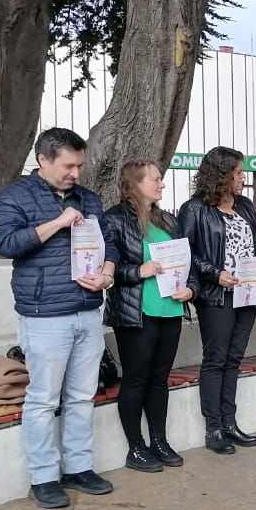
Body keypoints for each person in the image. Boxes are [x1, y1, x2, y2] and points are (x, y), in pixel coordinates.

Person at [0, 127, 116, 509]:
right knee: (43, 400)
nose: (75, 173)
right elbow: (4, 243)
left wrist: (107, 274)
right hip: (44, 316)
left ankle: (79, 467)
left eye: (79, 165)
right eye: (68, 165)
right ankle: (43, 476)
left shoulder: (89, 199)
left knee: (81, 396)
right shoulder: (15, 197)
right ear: (43, 160)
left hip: (87, 311)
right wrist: (58, 222)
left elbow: (110, 244)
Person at [102, 159, 197, 472]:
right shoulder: (114, 219)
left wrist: (190, 289)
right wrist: (137, 270)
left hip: (169, 309)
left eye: (161, 179)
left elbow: (188, 262)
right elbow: (108, 265)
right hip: (135, 312)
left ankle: (158, 440)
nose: (161, 184)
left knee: (159, 379)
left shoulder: (167, 220)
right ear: (135, 183)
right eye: (155, 179)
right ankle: (136, 447)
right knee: (136, 379)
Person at [178, 147, 256, 453]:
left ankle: (230, 423)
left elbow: (255, 246)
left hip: (247, 293)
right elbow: (187, 254)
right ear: (220, 173)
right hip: (216, 296)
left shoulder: (245, 205)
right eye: (237, 172)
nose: (242, 177)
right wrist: (214, 273)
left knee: (234, 359)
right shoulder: (194, 209)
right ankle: (214, 427)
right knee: (216, 359)